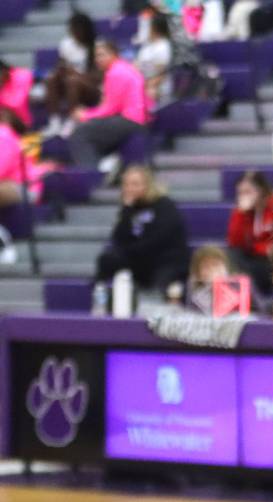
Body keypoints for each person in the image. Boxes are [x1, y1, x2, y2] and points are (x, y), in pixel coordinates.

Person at [95, 164, 189, 294]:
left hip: (166, 260)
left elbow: (159, 240)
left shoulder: (164, 205)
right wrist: (126, 210)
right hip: (140, 259)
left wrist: (129, 251)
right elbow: (119, 238)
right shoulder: (129, 209)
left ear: (147, 185)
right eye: (126, 184)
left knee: (161, 279)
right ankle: (99, 299)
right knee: (107, 260)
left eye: (135, 184)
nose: (129, 189)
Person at [69, 39, 148, 168]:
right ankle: (106, 165)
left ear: (114, 54)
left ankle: (91, 175)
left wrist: (85, 115)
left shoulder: (115, 73)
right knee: (92, 130)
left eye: (101, 55)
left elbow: (110, 109)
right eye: (96, 56)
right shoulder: (125, 67)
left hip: (130, 120)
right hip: (135, 119)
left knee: (80, 133)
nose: (97, 59)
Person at [42, 12, 102, 138]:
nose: (74, 32)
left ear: (85, 30)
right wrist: (60, 70)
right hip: (70, 84)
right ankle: (55, 122)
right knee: (51, 78)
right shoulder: (66, 44)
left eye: (77, 29)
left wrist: (76, 74)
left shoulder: (96, 45)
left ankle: (73, 120)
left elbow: (98, 77)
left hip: (92, 88)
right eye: (71, 29)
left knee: (72, 80)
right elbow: (61, 65)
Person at [226, 170, 273, 297]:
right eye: (240, 193)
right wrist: (241, 214)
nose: (244, 197)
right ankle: (249, 298)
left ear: (261, 191)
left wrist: (263, 248)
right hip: (253, 259)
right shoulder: (240, 212)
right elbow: (234, 242)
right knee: (232, 255)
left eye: (248, 192)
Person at [136, 12, 173, 105]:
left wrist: (144, 87)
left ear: (155, 28)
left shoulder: (163, 46)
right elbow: (136, 64)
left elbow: (161, 75)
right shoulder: (148, 45)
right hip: (143, 82)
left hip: (156, 87)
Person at [0, 59, 33, 131]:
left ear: (4, 71)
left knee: (5, 113)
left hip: (21, 122)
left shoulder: (22, 75)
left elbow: (18, 103)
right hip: (5, 123)